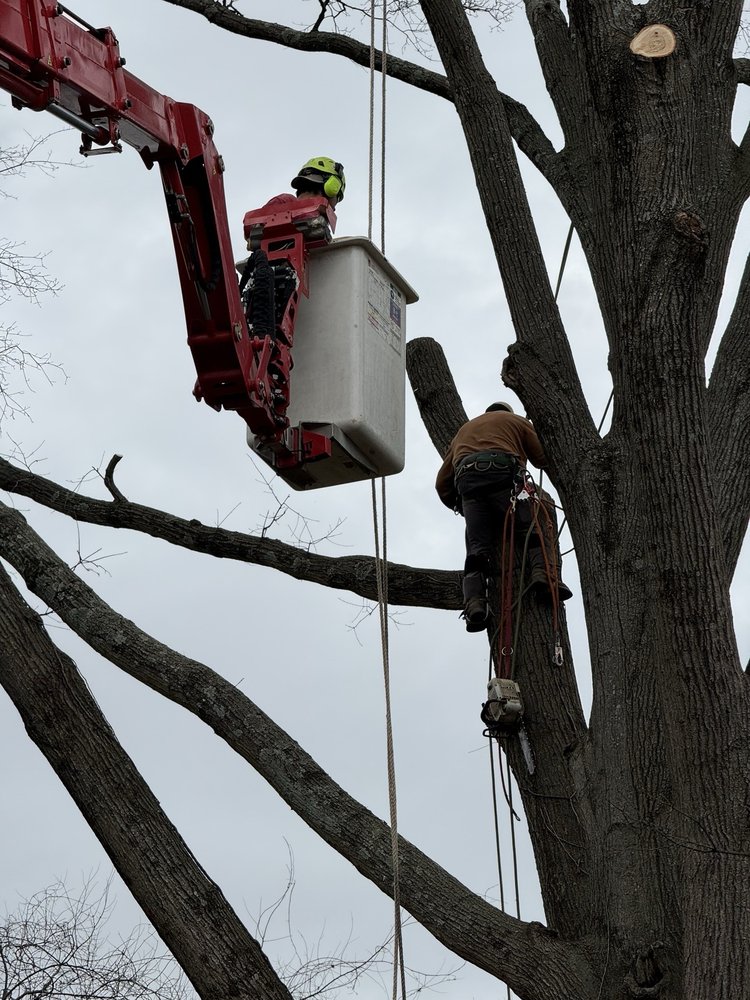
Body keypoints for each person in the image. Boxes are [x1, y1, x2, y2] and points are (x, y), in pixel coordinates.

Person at [436, 402, 572, 632]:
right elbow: (541, 457)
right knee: (531, 526)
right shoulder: (517, 421)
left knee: (477, 548)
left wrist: (461, 506)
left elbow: (442, 483)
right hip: (502, 474)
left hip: (468, 483)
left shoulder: (463, 431)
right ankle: (543, 576)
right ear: (507, 412)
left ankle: (475, 603)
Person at [239, 157, 346, 418]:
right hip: (280, 272)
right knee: (275, 334)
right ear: (331, 187)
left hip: (260, 279)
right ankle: (272, 380)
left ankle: (264, 370)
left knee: (262, 330)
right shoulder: (290, 205)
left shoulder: (281, 205)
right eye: (336, 198)